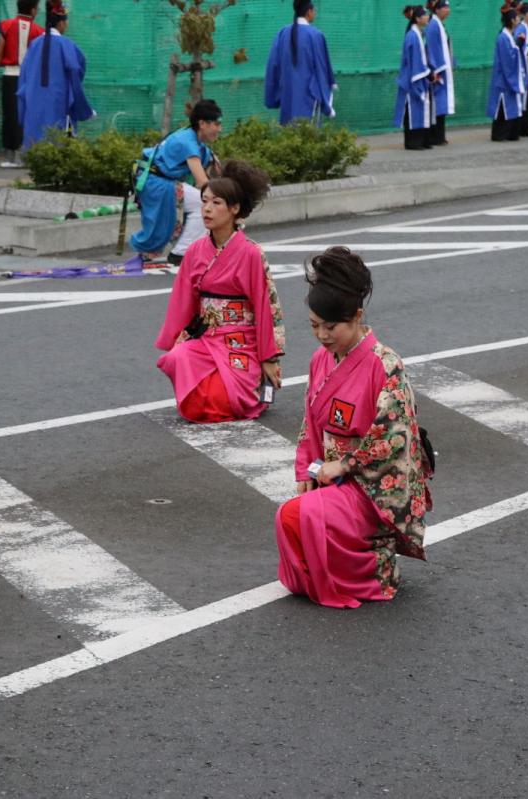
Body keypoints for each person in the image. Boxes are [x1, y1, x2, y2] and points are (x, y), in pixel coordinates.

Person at [275, 246, 432, 608]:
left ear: (357, 316)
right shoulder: (320, 360)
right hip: (332, 475)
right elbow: (311, 423)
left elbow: (393, 435)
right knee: (292, 516)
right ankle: (333, 572)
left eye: (332, 326)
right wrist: (308, 468)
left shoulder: (385, 363)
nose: (323, 335)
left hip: (370, 485)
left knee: (297, 515)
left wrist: (344, 465)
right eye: (315, 326)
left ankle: (371, 574)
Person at [154, 160, 285, 424]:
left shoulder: (250, 253)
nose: (207, 209)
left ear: (235, 209)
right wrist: (178, 338)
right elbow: (184, 301)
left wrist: (268, 358)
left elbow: (264, 306)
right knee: (179, 358)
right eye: (204, 201)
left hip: (240, 339)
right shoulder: (194, 251)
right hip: (207, 335)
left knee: (225, 400)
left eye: (216, 203)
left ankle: (252, 386)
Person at [128, 99, 220, 264]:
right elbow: (202, 183)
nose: (219, 128)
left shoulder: (195, 140)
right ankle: (181, 252)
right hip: (155, 182)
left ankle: (180, 250)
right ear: (202, 124)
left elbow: (213, 173)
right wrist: (224, 201)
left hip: (158, 180)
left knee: (204, 203)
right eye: (216, 123)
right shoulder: (187, 142)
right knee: (205, 204)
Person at [16, 0, 94, 148]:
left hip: (34, 99)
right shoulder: (67, 45)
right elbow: (77, 70)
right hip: (60, 100)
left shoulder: (34, 44)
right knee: (61, 141)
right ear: (62, 23)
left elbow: (24, 75)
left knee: (37, 138)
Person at [264, 0, 336, 127]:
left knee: (289, 137)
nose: (315, 13)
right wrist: (326, 103)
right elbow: (321, 69)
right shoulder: (316, 35)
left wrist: (272, 96)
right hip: (309, 97)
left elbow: (273, 66)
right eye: (314, 10)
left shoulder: (282, 34)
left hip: (288, 96)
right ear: (309, 12)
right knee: (308, 137)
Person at [0, 0, 43, 167]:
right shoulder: (39, 31)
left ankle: (10, 156)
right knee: (28, 114)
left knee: (10, 115)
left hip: (10, 75)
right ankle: (26, 153)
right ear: (33, 10)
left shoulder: (7, 26)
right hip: (30, 78)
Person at [393, 5, 433, 151]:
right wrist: (425, 73)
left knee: (420, 110)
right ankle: (412, 142)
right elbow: (414, 61)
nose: (427, 17)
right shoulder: (412, 36)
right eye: (425, 15)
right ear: (417, 19)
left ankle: (420, 140)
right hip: (412, 79)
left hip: (418, 76)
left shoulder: (418, 34)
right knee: (413, 110)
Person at [487, 5, 525, 143]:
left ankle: (510, 133)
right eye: (517, 18)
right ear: (512, 20)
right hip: (503, 79)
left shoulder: (509, 36)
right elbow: (507, 59)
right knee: (503, 107)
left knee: (511, 106)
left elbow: (512, 53)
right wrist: (518, 45)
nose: (519, 20)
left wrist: (518, 44)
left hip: (507, 78)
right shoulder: (503, 37)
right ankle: (499, 134)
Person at [425, 0, 454, 145]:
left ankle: (439, 136)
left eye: (448, 7)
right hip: (438, 72)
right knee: (437, 104)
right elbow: (432, 49)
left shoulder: (440, 25)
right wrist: (435, 69)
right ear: (436, 10)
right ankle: (435, 137)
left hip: (443, 70)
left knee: (441, 104)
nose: (447, 10)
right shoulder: (433, 25)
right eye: (444, 7)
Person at [513, 2, 528, 138]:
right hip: (523, 68)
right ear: (523, 15)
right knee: (523, 97)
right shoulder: (522, 28)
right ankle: (521, 127)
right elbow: (519, 46)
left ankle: (524, 126)